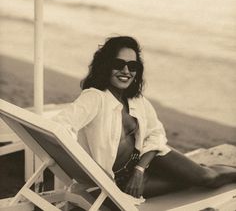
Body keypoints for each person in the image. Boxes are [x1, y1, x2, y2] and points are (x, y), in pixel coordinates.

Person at [52, 35, 236, 202]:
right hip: (118, 181)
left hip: (147, 159)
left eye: (132, 66)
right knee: (189, 182)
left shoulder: (136, 100)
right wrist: (89, 170)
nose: (126, 71)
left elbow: (155, 134)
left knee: (207, 178)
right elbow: (61, 126)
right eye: (119, 64)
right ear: (106, 65)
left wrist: (139, 169)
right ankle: (197, 169)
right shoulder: (95, 97)